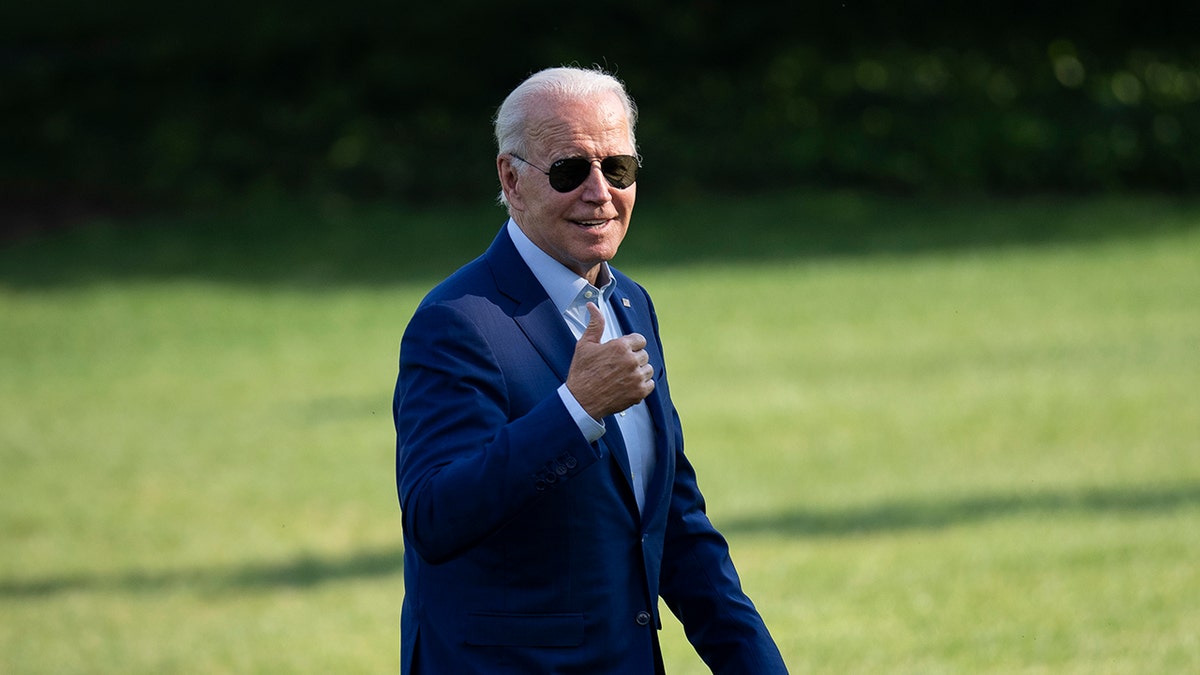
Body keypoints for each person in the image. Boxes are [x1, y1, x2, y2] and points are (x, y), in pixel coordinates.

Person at [393, 65, 788, 674]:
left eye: (619, 169)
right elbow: (435, 517)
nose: (600, 192)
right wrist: (575, 410)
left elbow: (675, 524)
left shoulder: (630, 302)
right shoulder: (457, 321)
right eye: (570, 170)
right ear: (511, 178)